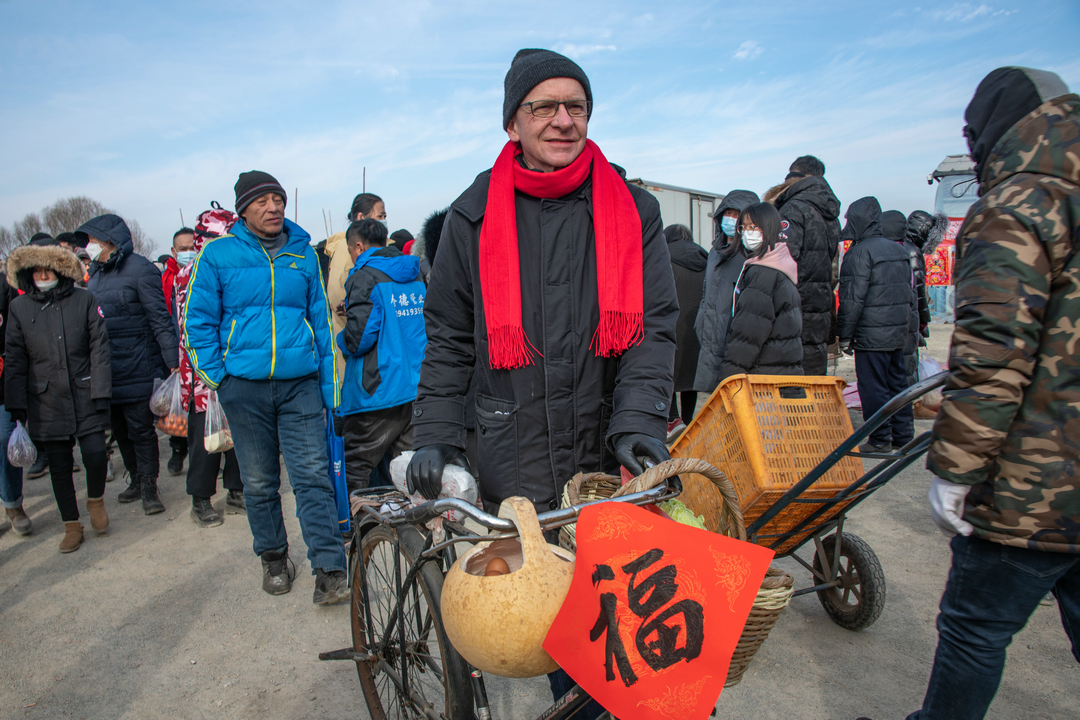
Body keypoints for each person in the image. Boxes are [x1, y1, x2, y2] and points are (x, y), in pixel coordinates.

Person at [405, 49, 678, 718]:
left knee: (626, 630)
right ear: (513, 123)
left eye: (575, 106)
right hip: (513, 450)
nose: (563, 120)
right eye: (544, 107)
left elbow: (653, 327)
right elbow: (449, 340)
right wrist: (437, 435)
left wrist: (640, 418)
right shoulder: (470, 219)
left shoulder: (630, 209)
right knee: (563, 635)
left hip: (601, 445)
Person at [901, 66, 1080, 720]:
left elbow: (995, 356)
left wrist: (955, 468)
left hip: (1035, 479)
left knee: (975, 628)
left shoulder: (1018, 205)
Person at [183, 170, 348, 605]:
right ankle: (274, 558)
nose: (273, 207)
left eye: (278, 199)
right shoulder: (217, 255)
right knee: (258, 482)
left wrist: (330, 390)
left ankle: (330, 566)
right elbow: (196, 323)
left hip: (300, 387)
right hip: (245, 389)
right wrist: (220, 379)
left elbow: (321, 322)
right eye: (262, 201)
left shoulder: (303, 253)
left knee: (313, 477)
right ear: (243, 209)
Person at [4, 243, 111, 553]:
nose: (42, 275)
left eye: (47, 269)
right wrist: (16, 405)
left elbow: (99, 349)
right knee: (60, 464)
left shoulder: (84, 300)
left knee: (94, 453)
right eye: (35, 271)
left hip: (84, 392)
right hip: (45, 399)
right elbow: (15, 357)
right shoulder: (19, 308)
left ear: (61, 271)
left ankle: (95, 500)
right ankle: (71, 524)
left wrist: (101, 392)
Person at [78, 214, 178, 514]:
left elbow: (159, 318)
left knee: (141, 430)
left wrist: (172, 361)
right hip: (107, 367)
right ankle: (135, 478)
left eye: (93, 240)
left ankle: (149, 485)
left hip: (139, 363)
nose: (90, 246)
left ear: (109, 240)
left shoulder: (140, 269)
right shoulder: (94, 275)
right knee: (120, 430)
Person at [337, 219, 426, 492]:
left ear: (359, 246)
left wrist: (341, 337)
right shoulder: (414, 271)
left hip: (380, 388)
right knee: (406, 467)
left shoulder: (364, 275)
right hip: (416, 383)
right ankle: (410, 528)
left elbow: (358, 339)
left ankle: (355, 530)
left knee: (354, 464)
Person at [174, 208, 245, 527]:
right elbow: (191, 327)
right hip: (204, 372)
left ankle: (236, 490)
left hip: (239, 366)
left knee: (239, 435)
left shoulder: (237, 268)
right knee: (206, 437)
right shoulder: (189, 273)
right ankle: (200, 498)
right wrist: (212, 368)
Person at [835, 197, 915, 454]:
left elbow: (852, 298)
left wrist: (845, 335)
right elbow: (910, 294)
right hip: (896, 332)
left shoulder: (859, 253)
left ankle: (880, 439)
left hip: (871, 334)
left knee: (873, 386)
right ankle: (903, 436)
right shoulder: (898, 250)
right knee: (897, 384)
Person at [765, 155, 842, 375]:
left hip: (793, 307)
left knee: (790, 377)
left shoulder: (793, 208)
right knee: (813, 374)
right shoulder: (830, 212)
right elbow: (833, 268)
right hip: (821, 306)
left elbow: (782, 262)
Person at [718, 203, 803, 378]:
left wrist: (730, 376)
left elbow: (748, 333)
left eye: (753, 227)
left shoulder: (761, 273)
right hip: (782, 371)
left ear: (769, 227)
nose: (747, 233)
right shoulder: (781, 265)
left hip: (762, 375)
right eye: (744, 227)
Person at [694, 189, 759, 394]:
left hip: (734, 335)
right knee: (717, 397)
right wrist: (701, 321)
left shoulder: (750, 254)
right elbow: (707, 291)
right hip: (711, 331)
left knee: (737, 394)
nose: (730, 219)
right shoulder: (715, 251)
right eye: (727, 213)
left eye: (736, 214)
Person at [324, 193, 387, 384]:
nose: (384, 221)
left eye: (385, 216)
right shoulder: (348, 251)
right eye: (380, 215)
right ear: (361, 217)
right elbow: (338, 299)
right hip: (359, 348)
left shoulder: (366, 250)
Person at [663, 223, 707, 441]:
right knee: (692, 376)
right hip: (697, 328)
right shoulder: (707, 260)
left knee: (667, 371)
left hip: (672, 325)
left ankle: (672, 420)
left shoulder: (663, 258)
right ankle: (688, 421)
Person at [162, 227, 196, 476]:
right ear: (174, 252)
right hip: (176, 352)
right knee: (177, 408)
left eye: (191, 248)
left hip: (201, 352)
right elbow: (163, 319)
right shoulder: (165, 280)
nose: (188, 253)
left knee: (201, 410)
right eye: (183, 249)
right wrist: (171, 356)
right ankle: (178, 449)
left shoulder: (205, 272)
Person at [0, 261, 31, 536]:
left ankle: (13, 503)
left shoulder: (4, 288)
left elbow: (13, 337)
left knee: (3, 438)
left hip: (1, 380)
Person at [881, 209, 924, 388]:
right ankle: (907, 405)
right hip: (908, 315)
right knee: (904, 366)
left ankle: (904, 404)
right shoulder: (908, 250)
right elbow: (918, 289)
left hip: (895, 318)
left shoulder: (885, 251)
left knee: (900, 366)